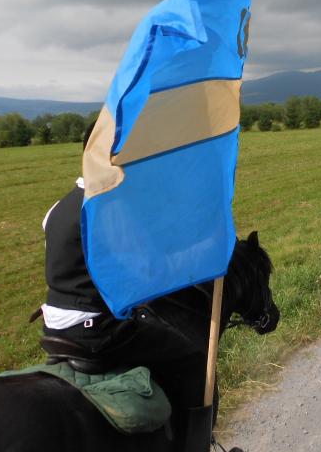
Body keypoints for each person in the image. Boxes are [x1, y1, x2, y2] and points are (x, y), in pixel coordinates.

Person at [37, 121, 202, 407]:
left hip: (53, 324)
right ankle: (197, 441)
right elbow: (142, 274)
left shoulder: (59, 207)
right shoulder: (106, 208)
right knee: (191, 354)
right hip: (95, 329)